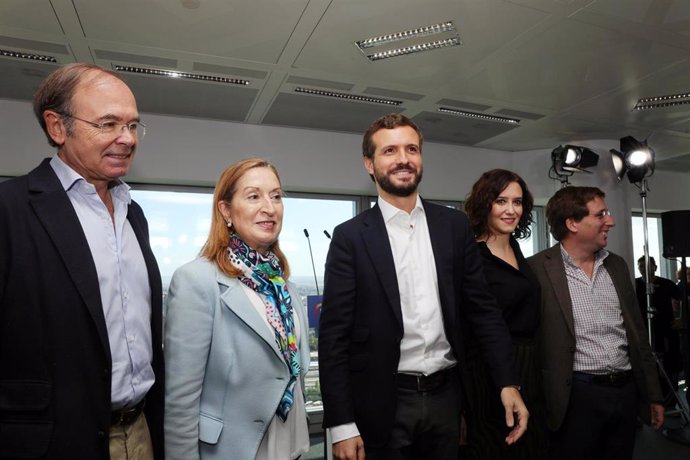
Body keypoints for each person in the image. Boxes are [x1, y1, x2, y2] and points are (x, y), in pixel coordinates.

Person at [318, 113, 528, 460]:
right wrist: (342, 424)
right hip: (383, 401)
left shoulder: (453, 225)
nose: (403, 159)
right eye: (390, 151)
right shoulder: (350, 237)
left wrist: (508, 381)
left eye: (411, 148)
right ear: (369, 164)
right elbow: (334, 337)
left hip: (448, 396)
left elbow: (483, 310)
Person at [0, 63, 164, 459]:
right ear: (57, 127)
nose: (126, 139)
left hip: (140, 432)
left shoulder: (132, 214)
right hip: (52, 442)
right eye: (108, 124)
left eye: (132, 125)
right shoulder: (9, 210)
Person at [164, 158, 311, 460]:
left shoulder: (285, 288)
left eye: (276, 196)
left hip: (292, 448)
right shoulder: (197, 280)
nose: (269, 207)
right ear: (226, 210)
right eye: (254, 196)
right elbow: (181, 402)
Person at [527, 186, 664, 460]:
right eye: (600, 214)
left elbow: (637, 333)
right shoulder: (537, 269)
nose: (610, 221)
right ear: (572, 223)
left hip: (624, 393)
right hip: (575, 396)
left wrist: (653, 393)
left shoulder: (617, 265)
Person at [462, 169, 546, 460]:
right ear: (484, 204)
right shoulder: (472, 256)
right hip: (490, 373)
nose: (511, 210)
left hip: (530, 368)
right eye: (501, 201)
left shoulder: (515, 247)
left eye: (518, 202)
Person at [635, 256, 681, 398]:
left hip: (666, 331)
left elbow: (683, 298)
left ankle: (671, 401)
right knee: (648, 366)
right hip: (644, 332)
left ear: (655, 267)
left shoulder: (666, 284)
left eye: (648, 265)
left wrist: (681, 319)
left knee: (669, 365)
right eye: (641, 266)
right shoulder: (635, 284)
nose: (645, 268)